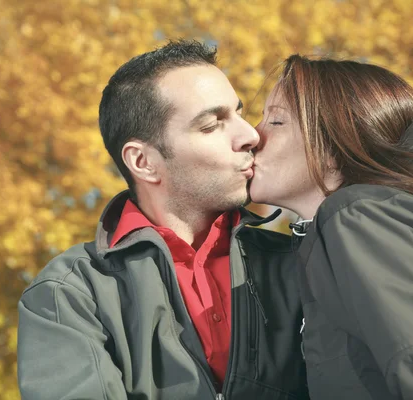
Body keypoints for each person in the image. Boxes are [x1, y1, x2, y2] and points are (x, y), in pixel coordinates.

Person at [17, 40, 309, 400]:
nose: (250, 135)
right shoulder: (70, 295)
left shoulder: (300, 262)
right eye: (212, 125)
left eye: (238, 113)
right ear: (143, 162)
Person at [249, 54, 413, 399]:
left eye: (276, 121)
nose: (253, 136)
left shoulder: (359, 217)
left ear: (334, 146)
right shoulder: (369, 223)